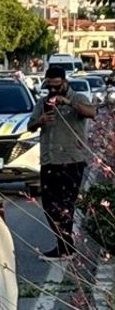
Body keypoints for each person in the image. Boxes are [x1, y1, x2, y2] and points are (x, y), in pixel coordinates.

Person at [27, 66, 97, 260]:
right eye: (50, 86)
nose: (54, 91)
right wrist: (40, 121)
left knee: (65, 204)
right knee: (49, 206)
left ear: (65, 82)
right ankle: (64, 246)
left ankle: (66, 248)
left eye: (57, 86)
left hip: (71, 160)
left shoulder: (78, 98)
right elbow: (30, 126)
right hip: (49, 160)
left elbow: (91, 113)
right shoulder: (43, 102)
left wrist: (68, 103)